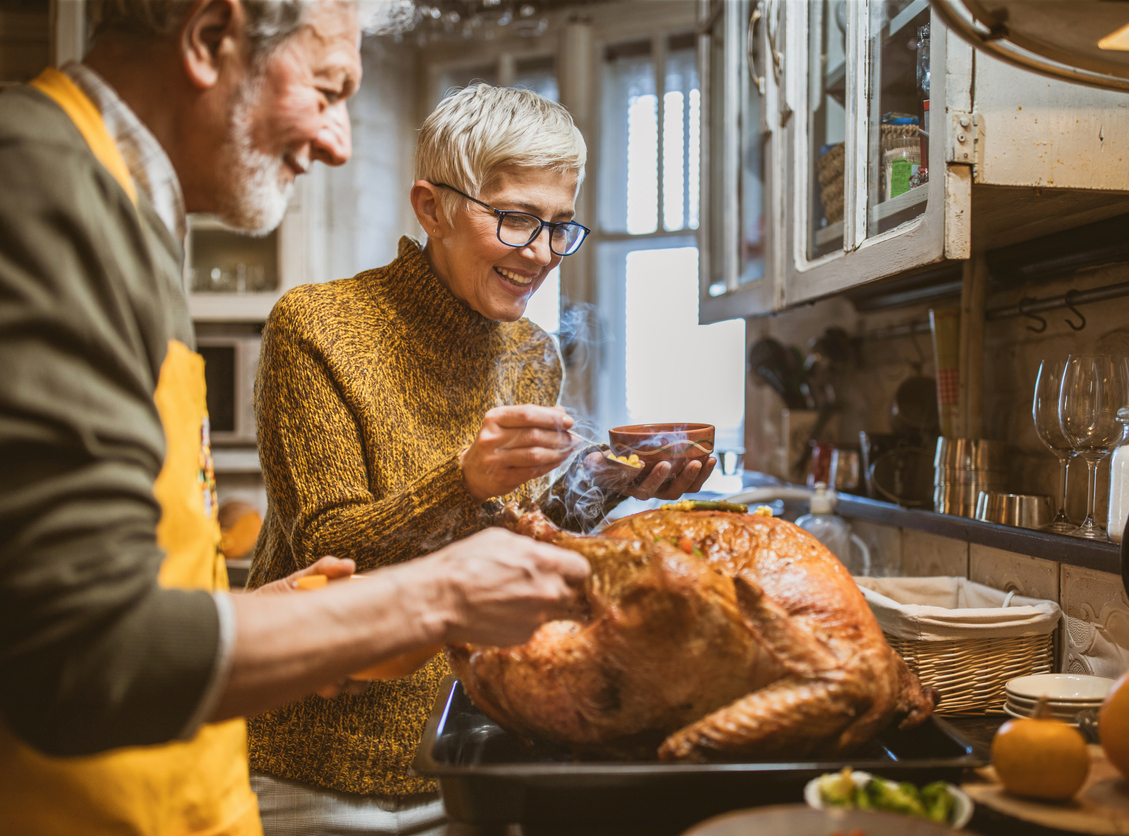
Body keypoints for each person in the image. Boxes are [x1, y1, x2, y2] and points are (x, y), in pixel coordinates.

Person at [0, 3, 589, 835]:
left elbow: (143, 578)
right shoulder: (41, 178)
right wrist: (439, 592)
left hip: (195, 791)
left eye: (556, 226)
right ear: (210, 40)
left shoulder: (131, 210)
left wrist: (279, 609)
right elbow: (81, 647)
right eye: (326, 88)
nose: (340, 142)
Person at [243, 83, 716, 831]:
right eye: (516, 219)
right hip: (317, 768)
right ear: (431, 208)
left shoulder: (533, 352)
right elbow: (328, 557)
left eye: (561, 226)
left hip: (475, 744)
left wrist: (605, 487)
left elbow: (514, 531)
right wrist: (462, 479)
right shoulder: (317, 328)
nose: (542, 254)